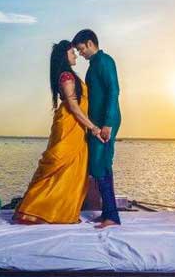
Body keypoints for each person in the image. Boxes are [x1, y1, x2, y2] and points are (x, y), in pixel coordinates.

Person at [12, 40, 105, 224]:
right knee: (58, 164)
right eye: (72, 52)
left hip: (78, 126)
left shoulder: (70, 75)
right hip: (69, 125)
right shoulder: (66, 76)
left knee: (72, 170)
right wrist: (93, 128)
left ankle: (61, 211)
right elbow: (73, 106)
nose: (75, 55)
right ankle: (35, 210)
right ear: (65, 56)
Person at [72, 29, 122, 229]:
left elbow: (114, 90)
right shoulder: (93, 66)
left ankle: (112, 216)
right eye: (77, 50)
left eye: (81, 48)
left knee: (100, 164)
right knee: (99, 165)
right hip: (97, 123)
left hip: (105, 122)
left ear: (91, 43)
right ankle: (108, 213)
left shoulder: (105, 61)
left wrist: (108, 123)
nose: (80, 53)